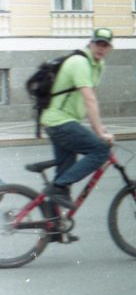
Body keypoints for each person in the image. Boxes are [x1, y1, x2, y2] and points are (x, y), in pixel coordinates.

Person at [42, 27, 115, 210]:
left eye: (105, 45)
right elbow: (89, 99)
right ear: (90, 43)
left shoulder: (97, 65)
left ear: (109, 48)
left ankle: (53, 226)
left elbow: (91, 99)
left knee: (63, 174)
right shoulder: (80, 62)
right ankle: (59, 187)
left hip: (61, 122)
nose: (101, 48)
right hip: (59, 121)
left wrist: (100, 127)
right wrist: (99, 133)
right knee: (100, 151)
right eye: (98, 43)